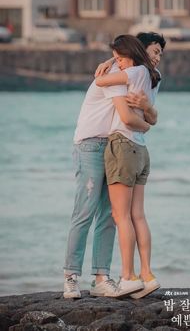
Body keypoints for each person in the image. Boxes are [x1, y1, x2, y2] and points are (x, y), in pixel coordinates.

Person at [63, 39, 153, 299]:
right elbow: (126, 117)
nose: (119, 61)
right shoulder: (115, 75)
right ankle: (70, 276)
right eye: (117, 58)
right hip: (91, 144)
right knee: (85, 211)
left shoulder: (128, 73)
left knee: (110, 213)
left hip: (114, 145)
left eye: (120, 57)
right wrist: (147, 126)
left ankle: (101, 277)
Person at [95, 34, 162, 298]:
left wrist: (109, 63)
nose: (118, 62)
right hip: (141, 150)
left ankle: (128, 276)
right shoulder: (151, 75)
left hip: (122, 145)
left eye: (120, 57)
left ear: (130, 54)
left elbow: (100, 81)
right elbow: (149, 116)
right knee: (138, 216)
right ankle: (147, 275)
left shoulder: (133, 71)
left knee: (120, 216)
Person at [95, 32, 166, 128]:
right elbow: (127, 118)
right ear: (141, 48)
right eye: (156, 52)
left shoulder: (155, 75)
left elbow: (153, 120)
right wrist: (111, 61)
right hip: (112, 135)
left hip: (132, 136)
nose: (158, 59)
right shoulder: (118, 68)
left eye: (160, 55)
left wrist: (147, 107)